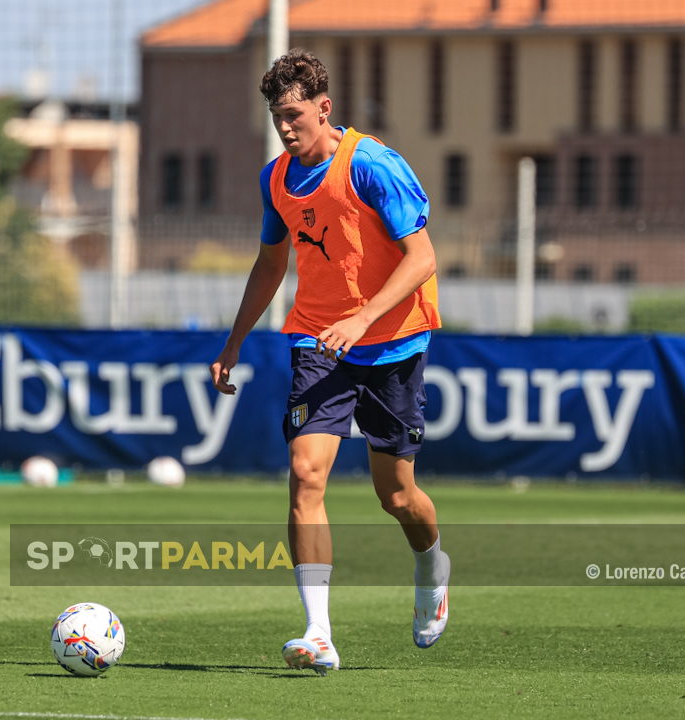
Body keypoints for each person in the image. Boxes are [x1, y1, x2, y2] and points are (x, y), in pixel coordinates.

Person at [209, 50, 450, 674]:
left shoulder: (371, 165)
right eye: (275, 116)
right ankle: (318, 633)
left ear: (324, 107)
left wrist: (365, 318)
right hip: (318, 341)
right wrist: (234, 341)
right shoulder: (276, 179)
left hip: (393, 339)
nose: (285, 127)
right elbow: (271, 263)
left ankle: (431, 564)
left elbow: (421, 258)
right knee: (305, 472)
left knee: (396, 496)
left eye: (294, 114)